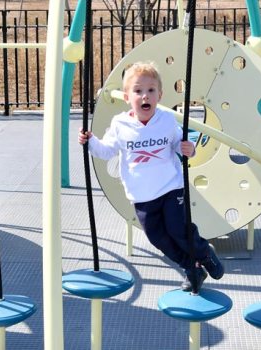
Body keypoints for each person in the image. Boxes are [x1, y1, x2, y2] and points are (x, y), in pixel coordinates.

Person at [78, 61, 224, 292]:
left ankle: (205, 253)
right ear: (127, 97)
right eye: (138, 91)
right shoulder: (120, 124)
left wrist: (190, 149)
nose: (144, 96)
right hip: (141, 194)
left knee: (179, 229)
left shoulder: (166, 120)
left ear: (159, 95)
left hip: (170, 187)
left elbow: (180, 142)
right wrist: (90, 142)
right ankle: (192, 268)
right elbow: (106, 150)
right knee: (157, 238)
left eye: (151, 90)